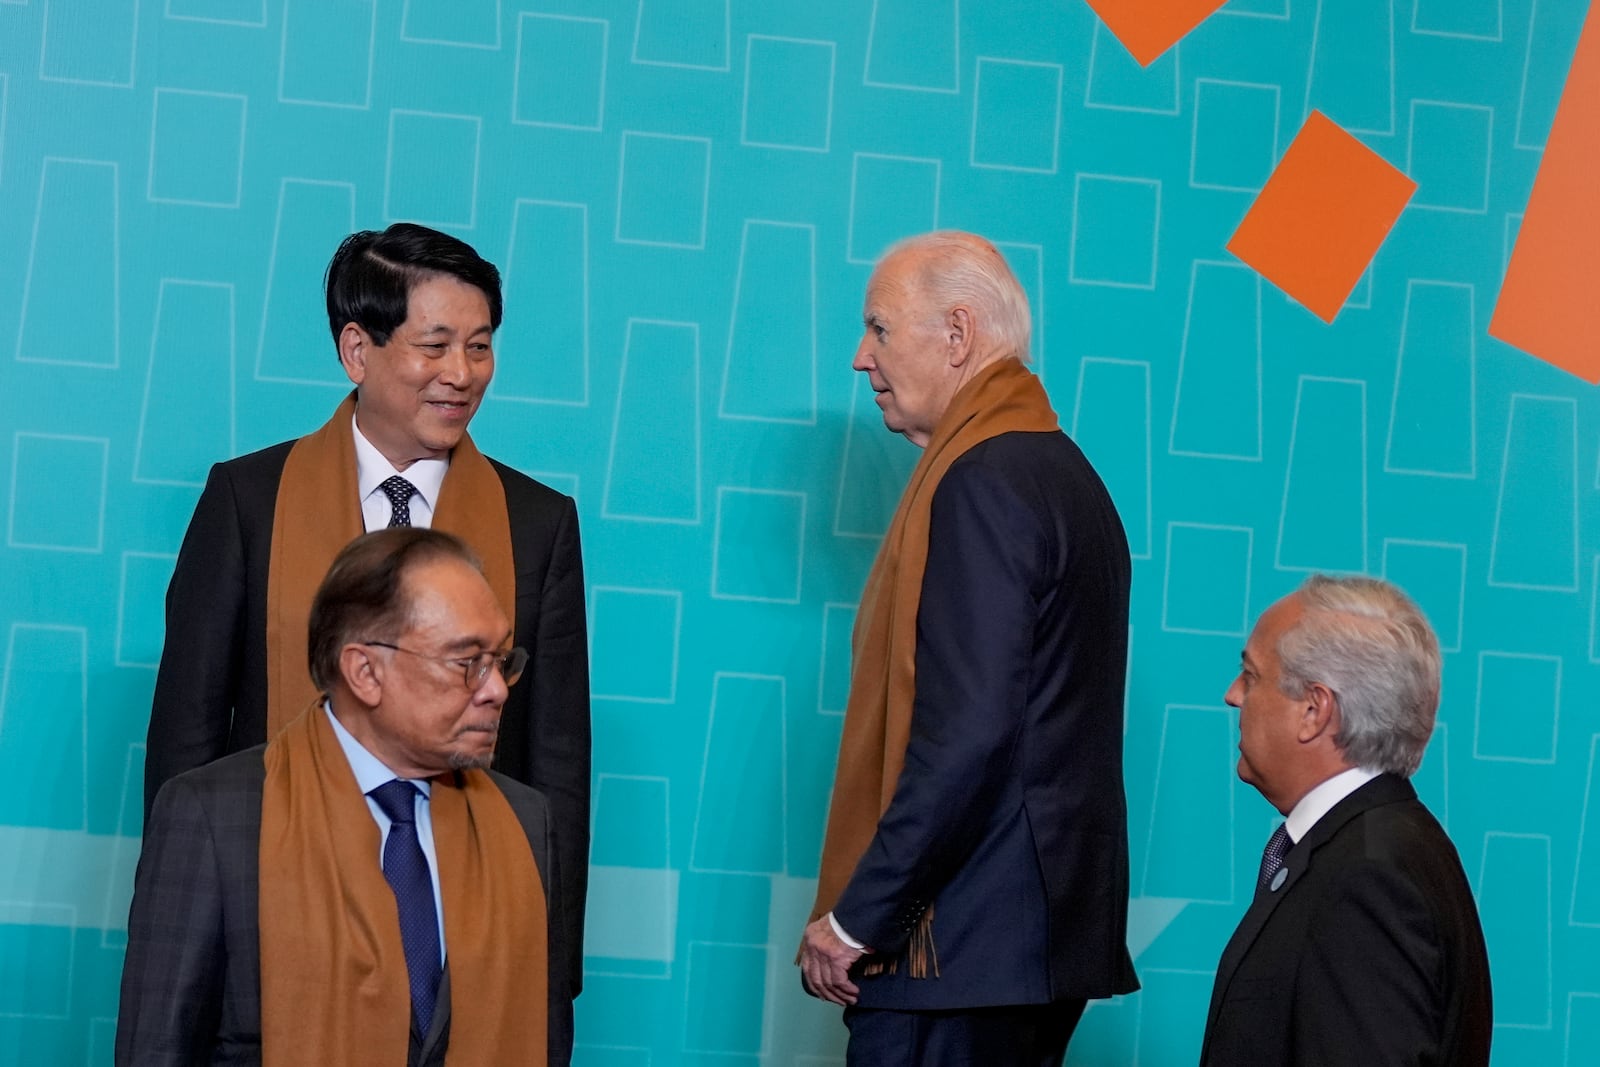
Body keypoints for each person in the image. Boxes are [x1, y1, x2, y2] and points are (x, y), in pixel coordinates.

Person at [142, 223, 589, 1008]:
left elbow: (557, 768)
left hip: (460, 930)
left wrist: (549, 974)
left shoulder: (537, 524)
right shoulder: (249, 501)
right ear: (357, 350)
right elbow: (187, 736)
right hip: (266, 910)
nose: (462, 374)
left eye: (479, 347)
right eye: (436, 345)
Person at [797, 231, 1139, 1065]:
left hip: (960, 951)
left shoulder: (983, 480)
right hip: (1028, 949)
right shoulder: (1066, 473)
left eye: (878, 327)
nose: (859, 357)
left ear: (957, 335)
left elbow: (970, 733)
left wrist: (857, 916)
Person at [117, 528, 571, 1066]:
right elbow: (157, 1051)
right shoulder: (214, 817)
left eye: (501, 660)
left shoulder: (524, 822)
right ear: (364, 672)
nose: (495, 688)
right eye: (466, 661)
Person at [1201, 575, 1492, 1065]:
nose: (1233, 695)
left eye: (1251, 675)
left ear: (1314, 709)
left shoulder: (1369, 880)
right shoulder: (1388, 844)